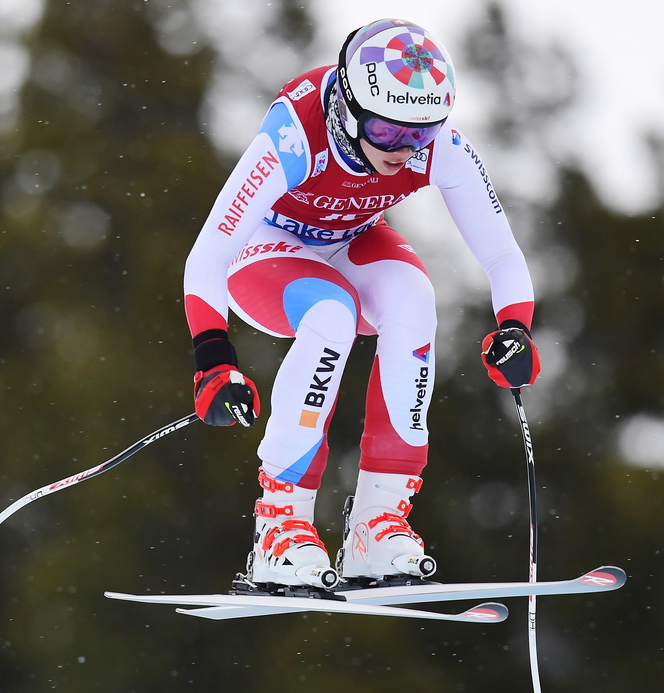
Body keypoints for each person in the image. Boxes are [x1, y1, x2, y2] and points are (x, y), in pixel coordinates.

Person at [183, 18, 540, 590]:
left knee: (414, 298)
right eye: (388, 131)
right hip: (262, 253)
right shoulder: (296, 134)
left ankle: (378, 525)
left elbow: (502, 256)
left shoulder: (437, 146)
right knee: (332, 314)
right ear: (349, 110)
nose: (404, 150)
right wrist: (212, 356)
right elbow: (208, 254)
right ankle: (280, 525)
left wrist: (515, 329)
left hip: (345, 240)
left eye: (420, 135)